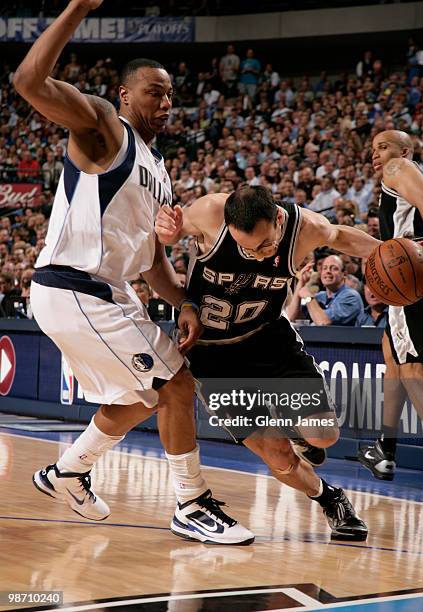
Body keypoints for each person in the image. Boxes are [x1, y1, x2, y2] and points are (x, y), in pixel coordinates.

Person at [14, 0, 253, 545]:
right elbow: (29, 81)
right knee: (174, 384)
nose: (166, 102)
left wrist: (186, 303)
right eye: (155, 92)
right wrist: (77, 8)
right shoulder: (102, 128)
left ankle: (67, 471)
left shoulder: (160, 172)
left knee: (137, 398)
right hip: (74, 286)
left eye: (171, 94)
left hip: (108, 293)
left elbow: (155, 265)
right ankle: (191, 503)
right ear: (124, 95)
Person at [156, 185, 382, 540]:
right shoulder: (209, 212)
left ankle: (300, 433)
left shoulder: (303, 227)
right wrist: (166, 232)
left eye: (266, 245)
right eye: (248, 247)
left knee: (324, 436)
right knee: (278, 458)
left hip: (268, 340)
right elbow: (160, 239)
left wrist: (391, 251)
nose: (260, 255)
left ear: (278, 219)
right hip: (213, 358)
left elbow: (341, 237)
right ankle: (330, 498)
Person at [358, 130, 423, 507]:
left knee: (411, 369)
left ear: (405, 151)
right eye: (373, 150)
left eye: (383, 147)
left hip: (414, 273)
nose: (376, 155)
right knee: (392, 351)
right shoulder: (408, 184)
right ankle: (386, 446)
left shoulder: (400, 169)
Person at [297, 255, 364, 326]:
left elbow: (323, 322)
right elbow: (292, 316)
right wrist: (301, 282)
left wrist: (308, 297)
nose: (328, 271)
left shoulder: (351, 297)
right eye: (324, 268)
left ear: (344, 274)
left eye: (334, 268)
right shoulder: (320, 296)